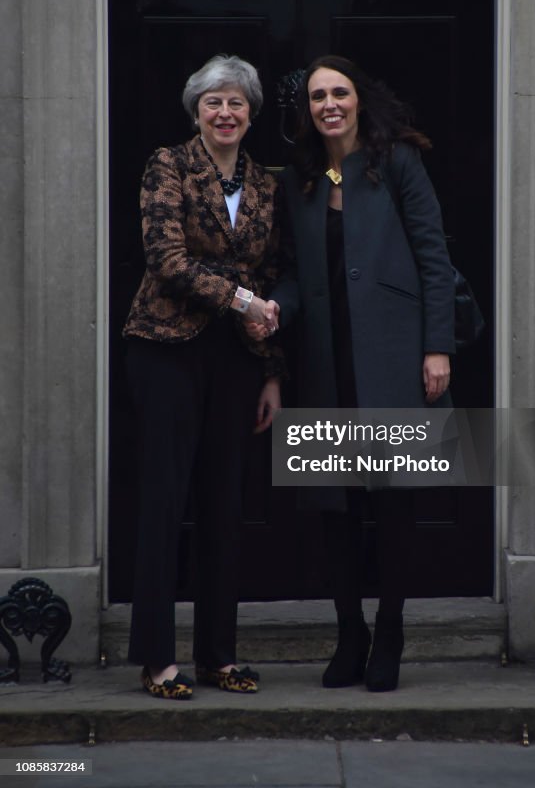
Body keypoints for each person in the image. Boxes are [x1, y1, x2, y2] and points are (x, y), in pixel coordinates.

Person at [249, 55, 455, 692]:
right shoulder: (302, 178)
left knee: (392, 506)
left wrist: (436, 347)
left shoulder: (398, 161)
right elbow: (290, 269)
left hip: (394, 359)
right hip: (324, 364)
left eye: (339, 92)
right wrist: (276, 307)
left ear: (359, 99)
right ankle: (350, 634)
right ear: (306, 109)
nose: (329, 104)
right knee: (334, 512)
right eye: (317, 96)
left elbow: (433, 256)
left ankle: (390, 631)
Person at [123, 53, 282, 701]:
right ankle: (157, 659)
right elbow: (165, 257)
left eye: (236, 102)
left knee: (225, 504)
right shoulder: (168, 164)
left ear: (251, 114)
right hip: (165, 349)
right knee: (165, 501)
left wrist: (272, 370)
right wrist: (242, 302)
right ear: (197, 111)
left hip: (236, 358)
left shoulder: (265, 183)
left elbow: (269, 277)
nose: (225, 112)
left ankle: (220, 655)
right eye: (214, 102)